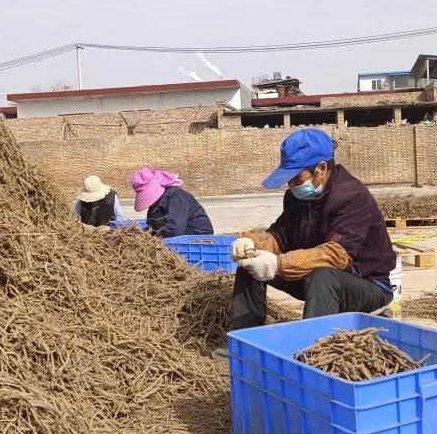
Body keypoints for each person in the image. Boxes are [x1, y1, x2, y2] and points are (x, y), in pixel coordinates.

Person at [229, 129, 396, 331]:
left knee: (322, 276)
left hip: (367, 285)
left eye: (297, 178)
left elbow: (336, 256)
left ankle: (312, 350)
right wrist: (252, 243)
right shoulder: (296, 198)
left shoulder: (351, 196)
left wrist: (279, 264)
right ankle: (245, 338)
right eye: (289, 180)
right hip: (313, 278)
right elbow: (280, 236)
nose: (292, 185)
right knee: (250, 263)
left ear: (322, 169)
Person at [131, 167, 213, 238]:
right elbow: (152, 227)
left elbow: (175, 230)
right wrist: (142, 234)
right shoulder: (155, 204)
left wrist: (150, 240)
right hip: (178, 239)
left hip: (197, 240)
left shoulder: (176, 197)